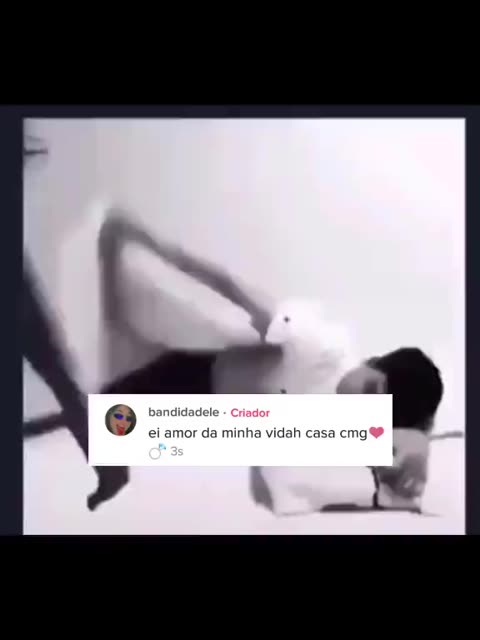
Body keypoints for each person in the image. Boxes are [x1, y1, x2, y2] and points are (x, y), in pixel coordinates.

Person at [24, 209, 444, 507]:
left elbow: (388, 459)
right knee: (100, 413)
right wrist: (159, 247)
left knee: (114, 422)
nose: (358, 406)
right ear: (372, 361)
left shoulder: (359, 425)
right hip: (194, 380)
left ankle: (113, 455)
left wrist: (413, 453)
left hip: (218, 422)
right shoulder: (317, 345)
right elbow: (231, 287)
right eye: (369, 390)